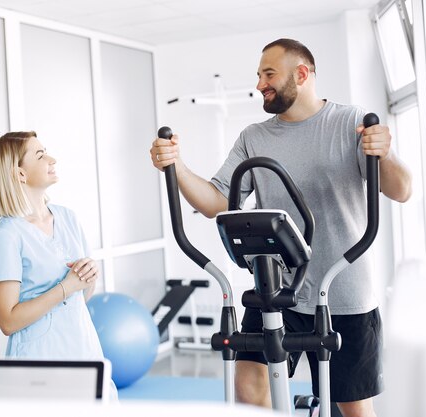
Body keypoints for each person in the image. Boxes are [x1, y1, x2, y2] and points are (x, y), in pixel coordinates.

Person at [150, 38, 411, 417]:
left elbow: (402, 190)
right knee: (250, 390)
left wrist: (382, 153)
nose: (259, 84)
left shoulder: (349, 123)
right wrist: (176, 167)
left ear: (301, 74)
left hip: (343, 292)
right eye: (259, 75)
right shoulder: (253, 138)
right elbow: (215, 201)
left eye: (268, 74)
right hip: (276, 289)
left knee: (353, 408)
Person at [0, 131, 117, 399]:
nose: (52, 159)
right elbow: (7, 321)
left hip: (84, 348)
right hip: (39, 365)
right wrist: (66, 287)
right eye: (40, 155)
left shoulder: (67, 217)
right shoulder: (5, 236)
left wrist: (88, 278)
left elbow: (83, 294)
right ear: (20, 174)